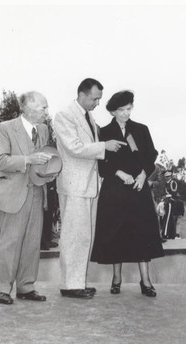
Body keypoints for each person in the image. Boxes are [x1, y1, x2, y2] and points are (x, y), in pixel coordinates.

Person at [53, 78, 126, 299]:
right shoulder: (65, 115)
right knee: (74, 235)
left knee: (84, 236)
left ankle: (78, 282)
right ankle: (70, 285)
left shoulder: (89, 117)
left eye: (99, 99)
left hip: (89, 185)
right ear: (82, 94)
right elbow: (74, 147)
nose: (97, 103)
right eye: (94, 99)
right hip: (74, 185)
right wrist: (104, 146)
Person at [90, 90, 164, 297]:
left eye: (129, 108)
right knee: (116, 234)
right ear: (113, 111)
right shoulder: (104, 133)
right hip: (114, 191)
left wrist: (143, 175)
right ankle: (116, 279)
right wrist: (119, 173)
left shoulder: (141, 130)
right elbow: (101, 163)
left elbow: (150, 157)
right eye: (121, 110)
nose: (125, 113)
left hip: (138, 190)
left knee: (142, 233)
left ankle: (146, 281)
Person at [0, 91, 54, 305]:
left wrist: (50, 169)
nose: (47, 111)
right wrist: (27, 159)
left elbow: (45, 159)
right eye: (43, 107)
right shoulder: (5, 128)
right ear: (27, 108)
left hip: (37, 193)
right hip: (13, 194)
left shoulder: (44, 129)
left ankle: (26, 286)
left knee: (32, 242)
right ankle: (2, 288)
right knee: (10, 242)